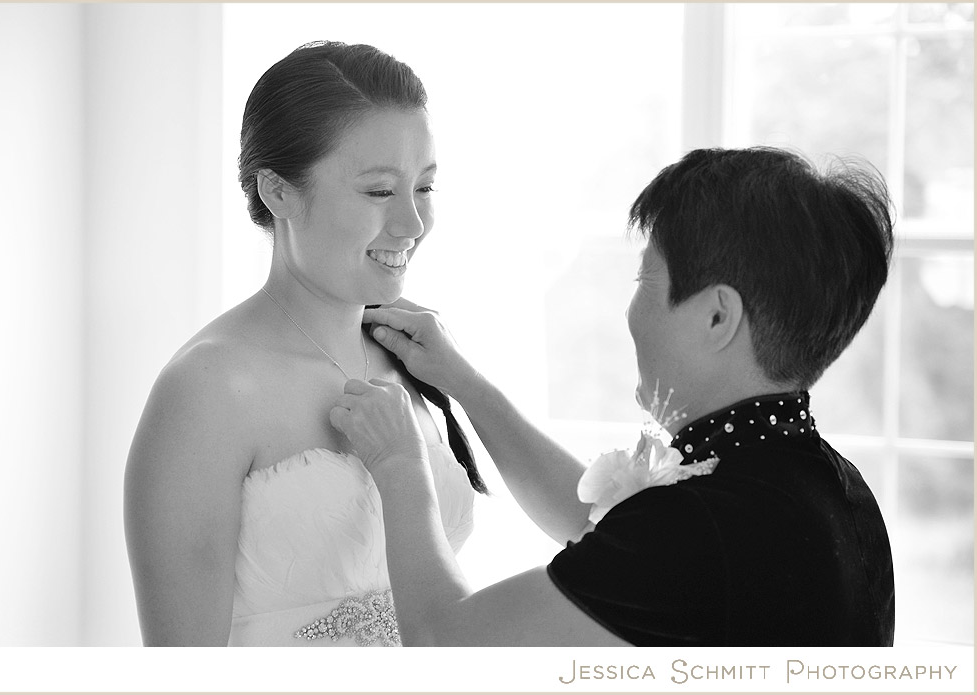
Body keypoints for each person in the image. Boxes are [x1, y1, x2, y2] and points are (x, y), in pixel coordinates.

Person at [331, 147, 897, 646]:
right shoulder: (833, 491)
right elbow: (599, 526)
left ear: (717, 316)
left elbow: (445, 645)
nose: (630, 311)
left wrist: (401, 465)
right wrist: (462, 381)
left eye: (645, 282)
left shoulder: (703, 527)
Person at [124, 41, 484, 647]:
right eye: (378, 191)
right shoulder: (208, 390)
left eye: (424, 187)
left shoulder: (409, 355)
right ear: (278, 191)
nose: (412, 223)